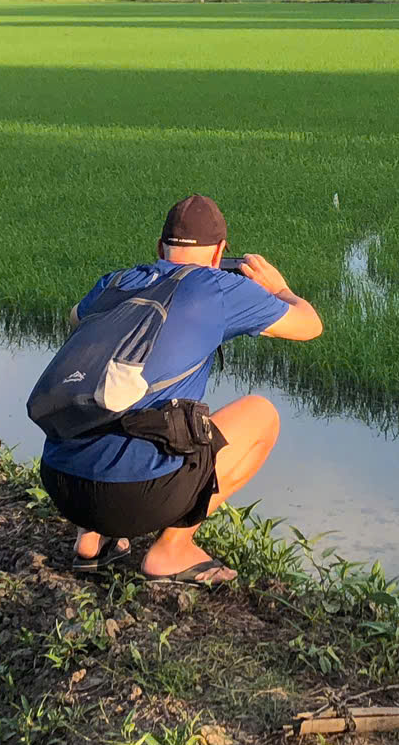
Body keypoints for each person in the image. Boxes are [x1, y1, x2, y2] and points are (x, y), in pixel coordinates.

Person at [40, 193, 323, 585]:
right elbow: (310, 326)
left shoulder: (117, 281)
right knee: (261, 415)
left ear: (159, 248)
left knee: (117, 392)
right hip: (135, 497)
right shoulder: (217, 287)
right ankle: (171, 551)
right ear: (220, 251)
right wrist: (279, 289)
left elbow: (76, 317)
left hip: (60, 481)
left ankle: (91, 542)